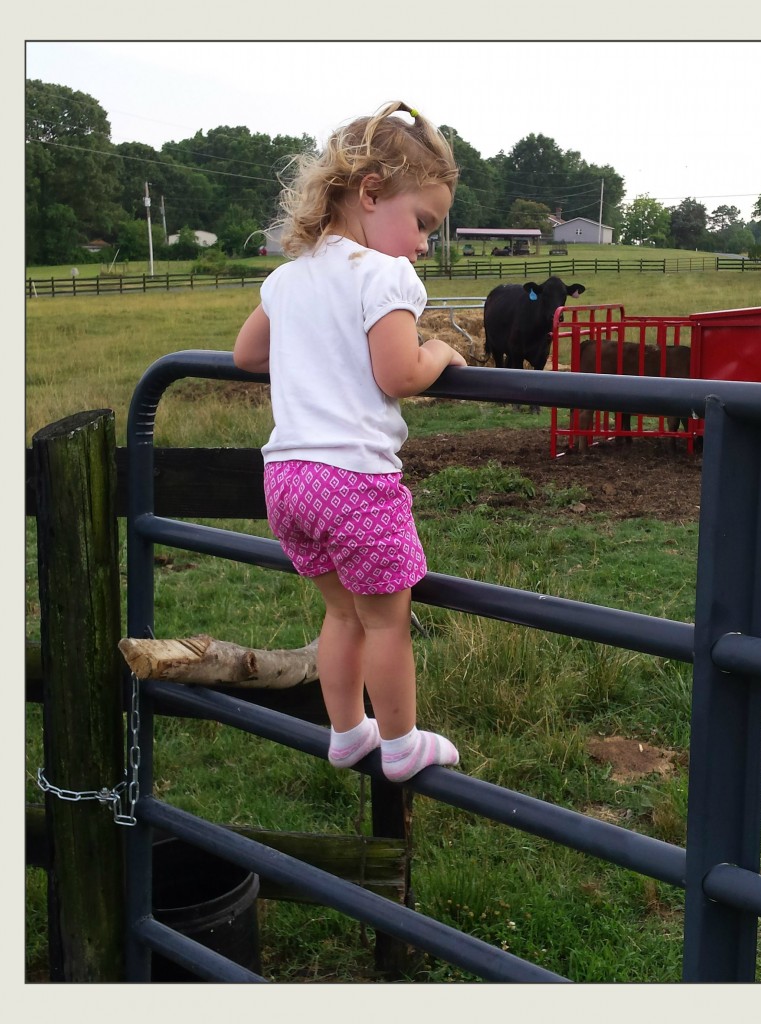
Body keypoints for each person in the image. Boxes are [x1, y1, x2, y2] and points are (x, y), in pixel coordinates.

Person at [233, 101, 465, 783]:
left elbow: (247, 355)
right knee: (388, 621)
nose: (423, 244)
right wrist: (440, 351)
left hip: (287, 479)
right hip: (352, 478)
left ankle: (346, 731)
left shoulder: (289, 276)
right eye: (421, 222)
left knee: (341, 612)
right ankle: (399, 744)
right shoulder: (384, 275)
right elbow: (398, 373)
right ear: (370, 192)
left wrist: (311, 345)